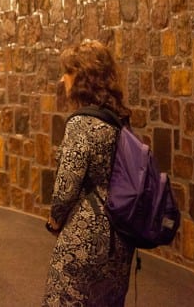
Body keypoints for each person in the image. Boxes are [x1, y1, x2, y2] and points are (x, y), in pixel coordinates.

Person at [42, 40, 134, 306]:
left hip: (86, 236)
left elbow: (66, 188)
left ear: (82, 77)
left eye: (67, 72)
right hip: (119, 236)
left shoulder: (82, 123)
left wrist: (54, 220)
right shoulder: (118, 119)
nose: (63, 79)